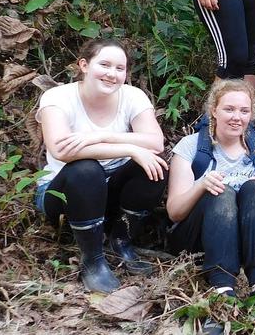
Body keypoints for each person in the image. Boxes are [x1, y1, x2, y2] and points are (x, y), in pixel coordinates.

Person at [34, 39, 167, 293]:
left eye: (120, 68)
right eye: (104, 65)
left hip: (108, 189)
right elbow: (60, 149)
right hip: (62, 190)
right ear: (84, 65)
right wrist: (129, 148)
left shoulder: (132, 96)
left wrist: (99, 137)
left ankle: (120, 239)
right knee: (86, 169)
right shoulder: (57, 97)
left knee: (154, 167)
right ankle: (93, 260)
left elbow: (155, 141)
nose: (112, 74)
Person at [166, 80, 255, 302]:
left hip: (241, 239)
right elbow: (174, 212)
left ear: (251, 115)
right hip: (197, 238)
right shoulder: (191, 147)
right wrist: (201, 186)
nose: (237, 117)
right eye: (229, 109)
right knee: (221, 190)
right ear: (214, 111)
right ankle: (222, 286)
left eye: (244, 111)